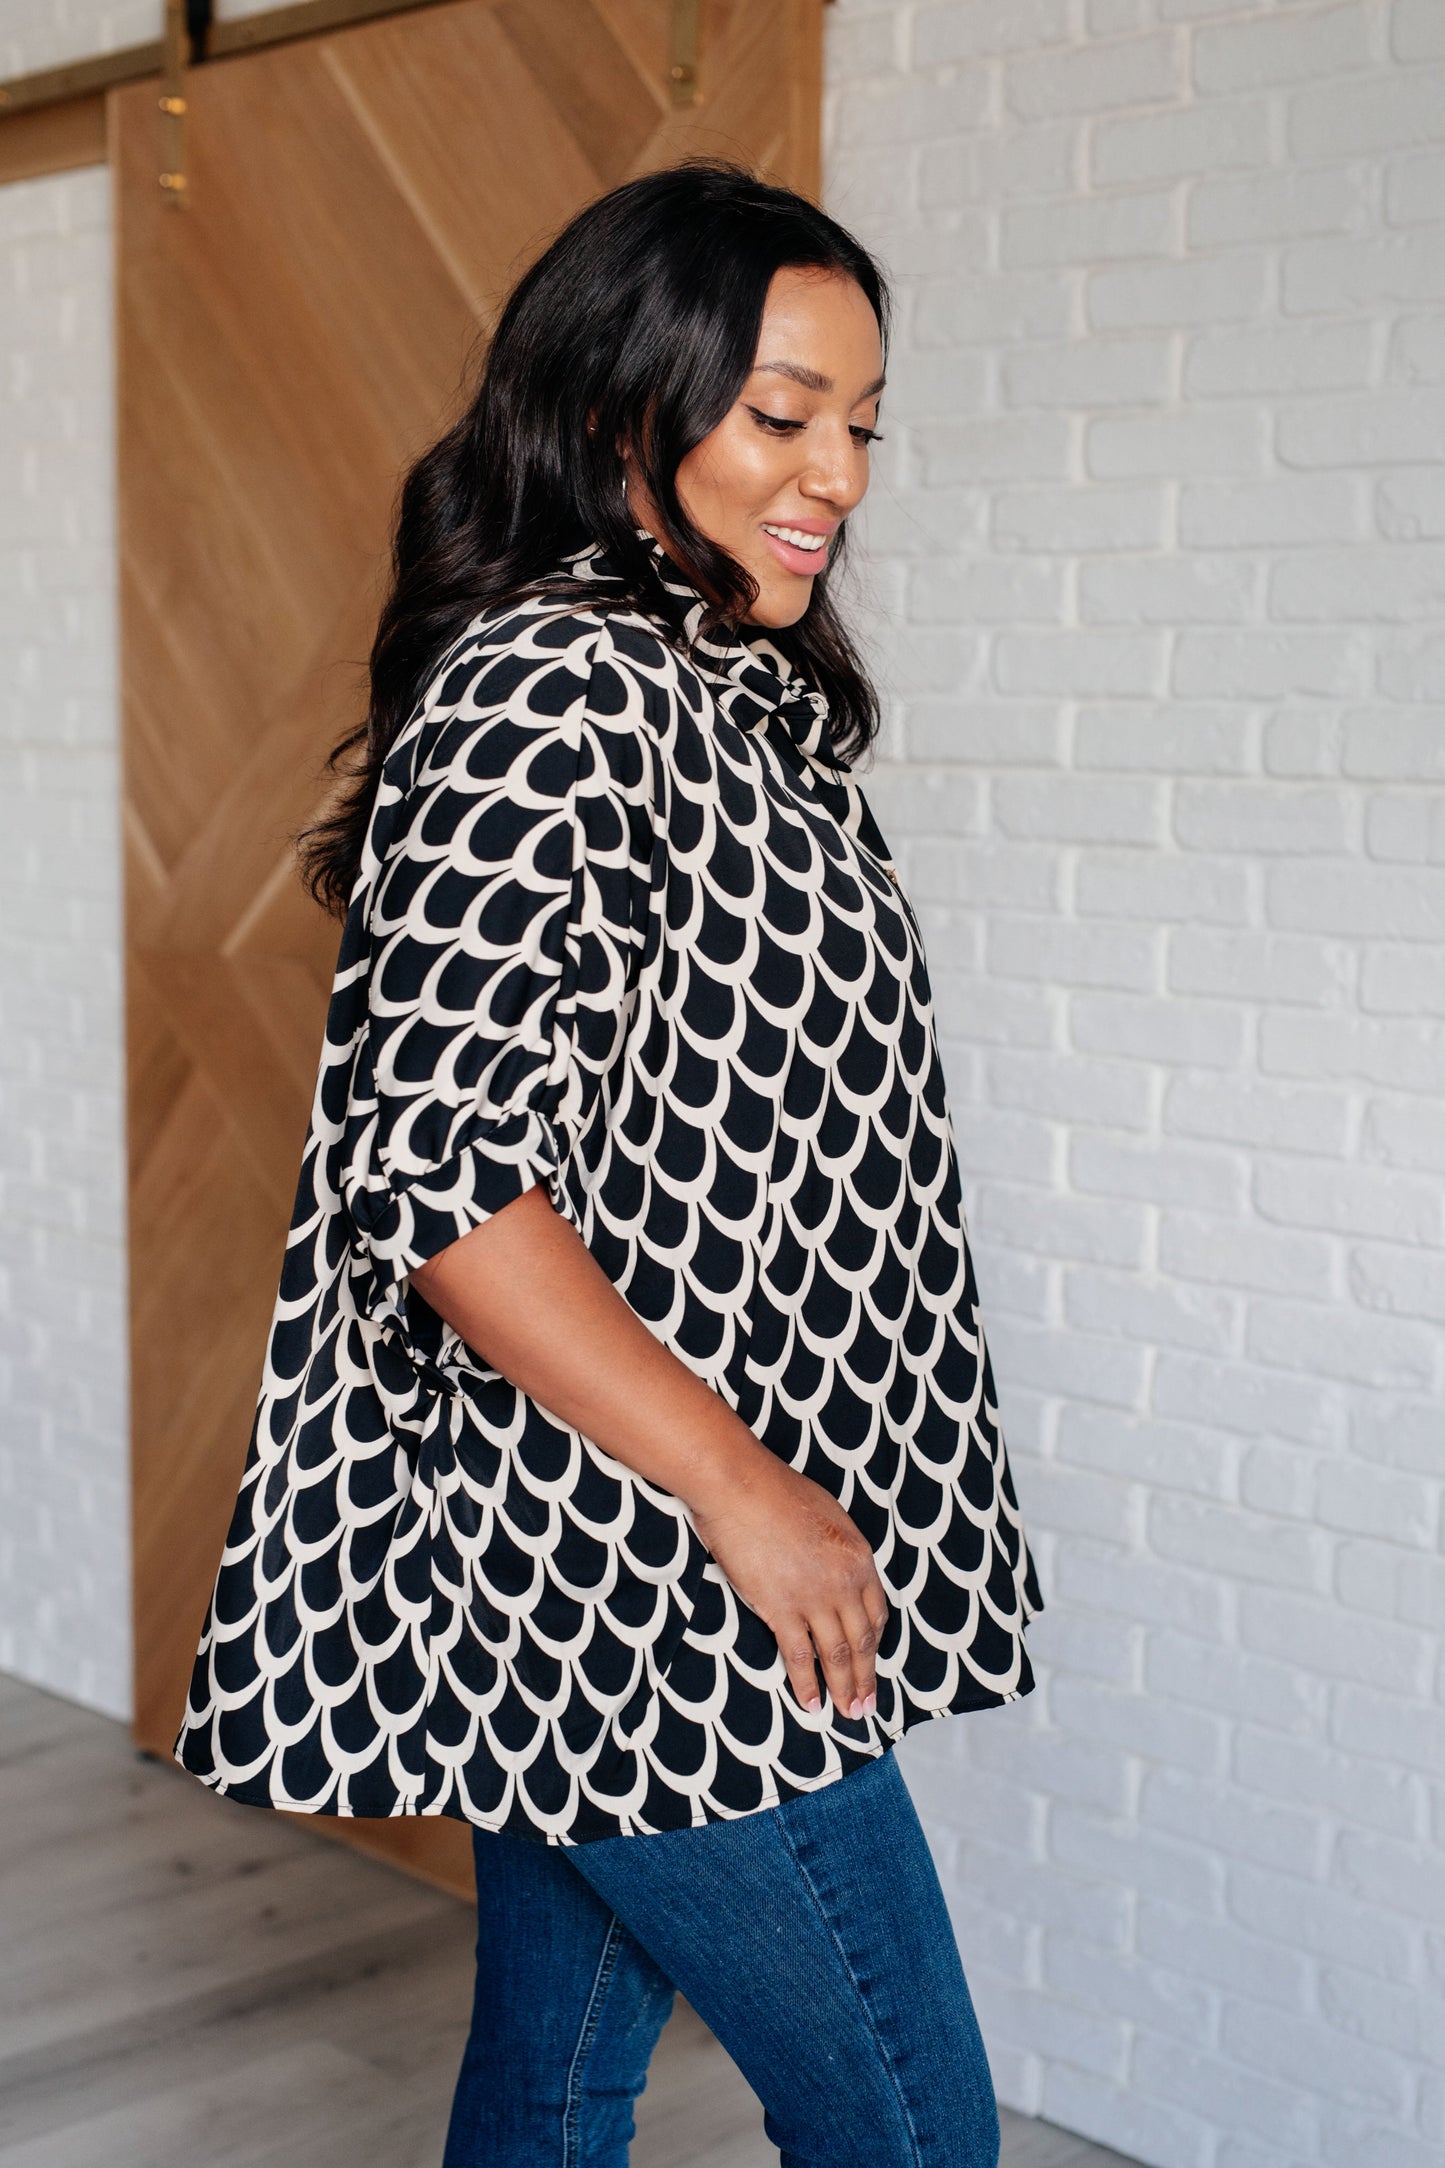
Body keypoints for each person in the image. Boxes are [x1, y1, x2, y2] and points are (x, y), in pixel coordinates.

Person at [174, 160, 1043, 2168]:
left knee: (554, 2087)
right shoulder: (552, 688)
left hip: (617, 1542)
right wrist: (749, 1493)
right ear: (613, 408)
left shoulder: (715, 685)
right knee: (915, 2130)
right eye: (783, 414)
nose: (837, 474)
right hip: (640, 1563)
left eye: (862, 424)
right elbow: (440, 1180)